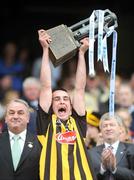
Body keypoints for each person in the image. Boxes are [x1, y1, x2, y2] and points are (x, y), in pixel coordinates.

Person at [37, 29, 96, 180]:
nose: (62, 101)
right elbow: (45, 86)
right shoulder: (46, 122)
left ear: (71, 107)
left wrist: (82, 54)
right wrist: (45, 50)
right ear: (51, 106)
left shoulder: (78, 121)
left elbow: (80, 88)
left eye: (65, 99)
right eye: (56, 99)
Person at [0, 99, 41, 180]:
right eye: (11, 113)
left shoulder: (39, 142)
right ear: (6, 118)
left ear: (28, 118)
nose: (15, 116)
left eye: (20, 113)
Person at [88, 112, 134, 180]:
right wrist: (102, 168)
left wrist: (114, 169)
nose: (108, 128)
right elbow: (88, 177)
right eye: (105, 126)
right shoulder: (91, 153)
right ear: (100, 131)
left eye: (112, 125)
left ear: (120, 130)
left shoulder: (131, 149)